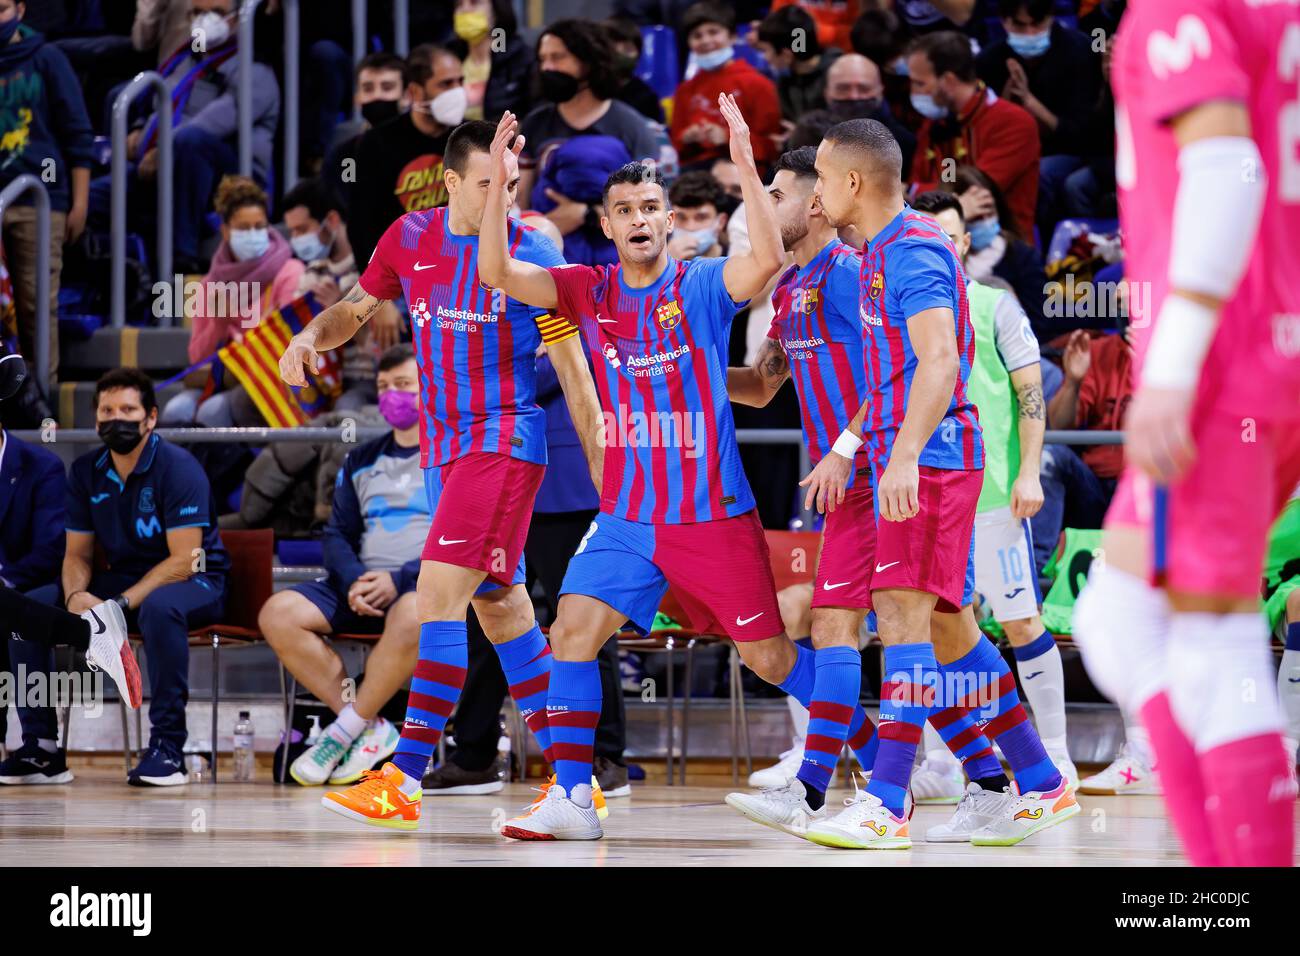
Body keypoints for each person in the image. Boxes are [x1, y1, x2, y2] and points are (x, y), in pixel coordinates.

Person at [478, 99, 885, 842]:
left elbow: (764, 262)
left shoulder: (700, 285)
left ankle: (880, 752)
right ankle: (573, 795)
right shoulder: (585, 290)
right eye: (624, 208)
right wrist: (504, 189)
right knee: (570, 631)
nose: (638, 218)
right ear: (605, 225)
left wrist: (744, 159)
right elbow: (498, 270)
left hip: (713, 517)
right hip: (628, 518)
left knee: (768, 658)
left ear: (670, 221)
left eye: (651, 207)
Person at [278, 120, 606, 830]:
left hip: (505, 442)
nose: (504, 201)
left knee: (437, 593)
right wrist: (308, 335)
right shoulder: (408, 238)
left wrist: (609, 472)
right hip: (444, 451)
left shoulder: (533, 248)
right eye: (490, 186)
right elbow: (354, 311)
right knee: (504, 611)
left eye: (513, 186)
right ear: (452, 182)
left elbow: (575, 371)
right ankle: (575, 780)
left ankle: (404, 776)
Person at [799, 118, 1076, 848]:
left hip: (932, 458)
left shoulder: (913, 253)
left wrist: (902, 457)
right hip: (919, 452)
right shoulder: (886, 248)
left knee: (900, 616)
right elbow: (897, 370)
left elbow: (939, 363)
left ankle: (887, 800)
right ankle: (1040, 783)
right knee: (951, 630)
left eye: (824, 178)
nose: (819, 192)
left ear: (853, 182)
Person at [1074, 0, 1300, 868]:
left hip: (1223, 367)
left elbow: (1226, 167)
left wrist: (1171, 365)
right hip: (1268, 353)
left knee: (1199, 637)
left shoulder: (1181, 8)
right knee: (1140, 624)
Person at [912, 190, 1078, 790]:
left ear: (965, 244)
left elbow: (1031, 395)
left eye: (954, 236)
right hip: (926, 499)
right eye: (932, 234)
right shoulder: (901, 305)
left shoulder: (995, 305)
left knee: (1020, 623)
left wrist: (1031, 471)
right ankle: (946, 764)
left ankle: (1055, 755)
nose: (945, 246)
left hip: (994, 499)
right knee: (933, 627)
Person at [12, 368, 227, 786]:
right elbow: (77, 554)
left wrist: (121, 604)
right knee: (28, 610)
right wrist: (76, 595)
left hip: (197, 581)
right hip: (125, 580)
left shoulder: (178, 468)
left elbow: (186, 558)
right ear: (95, 420)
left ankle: (168, 748)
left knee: (159, 610)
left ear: (151, 418)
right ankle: (41, 750)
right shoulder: (87, 472)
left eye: (128, 410)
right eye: (107, 410)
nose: (116, 419)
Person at [259, 346, 432, 787]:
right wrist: (355, 580)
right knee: (278, 612)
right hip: (360, 583)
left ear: (429, 387)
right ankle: (369, 727)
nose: (393, 395)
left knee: (414, 612)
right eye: (384, 387)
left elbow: (458, 538)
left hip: (421, 585)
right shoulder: (361, 458)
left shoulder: (451, 457)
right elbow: (335, 533)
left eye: (404, 385)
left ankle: (343, 732)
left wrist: (398, 580)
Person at [88, 0, 281, 273]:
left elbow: (210, 124)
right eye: (198, 13)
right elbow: (163, 102)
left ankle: (183, 260)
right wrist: (139, 130)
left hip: (227, 181)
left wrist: (160, 148)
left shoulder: (256, 70)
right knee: (92, 198)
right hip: (167, 169)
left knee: (191, 142)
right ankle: (108, 280)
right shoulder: (187, 60)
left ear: (238, 18)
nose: (205, 20)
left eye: (216, 13)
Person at [161, 176, 306, 428]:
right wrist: (219, 322)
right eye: (243, 228)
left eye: (259, 226)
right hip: (223, 377)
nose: (253, 235)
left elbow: (283, 344)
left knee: (211, 412)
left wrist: (237, 321)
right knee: (176, 411)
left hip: (267, 379)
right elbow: (198, 357)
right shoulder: (211, 282)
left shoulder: (289, 271)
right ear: (225, 231)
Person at [0, 0, 92, 387]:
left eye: (1, 8)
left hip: (38, 201)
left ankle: (42, 406)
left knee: (37, 306)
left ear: (21, 9)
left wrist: (80, 201)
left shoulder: (47, 58)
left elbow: (77, 132)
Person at [516, 19, 658, 255]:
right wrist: (542, 226)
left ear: (589, 61)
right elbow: (519, 203)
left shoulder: (631, 126)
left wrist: (586, 215)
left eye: (558, 57)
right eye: (543, 59)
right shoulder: (535, 124)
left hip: (617, 255)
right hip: (549, 253)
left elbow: (654, 207)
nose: (547, 68)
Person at [907, 31, 1040, 239]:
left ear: (949, 81)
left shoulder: (1014, 123)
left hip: (1003, 251)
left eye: (920, 83)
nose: (913, 91)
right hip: (939, 244)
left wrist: (914, 190)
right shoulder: (934, 123)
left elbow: (977, 194)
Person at [349, 44, 465, 269]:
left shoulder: (470, 137)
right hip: (400, 277)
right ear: (415, 92)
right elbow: (362, 227)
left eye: (460, 81)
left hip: (462, 271)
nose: (458, 92)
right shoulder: (376, 144)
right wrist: (378, 293)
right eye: (446, 84)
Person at [670, 4, 781, 173]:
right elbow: (675, 149)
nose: (706, 40)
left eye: (713, 32)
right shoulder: (684, 90)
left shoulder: (759, 85)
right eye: (697, 36)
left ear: (733, 37)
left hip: (744, 173)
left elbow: (773, 147)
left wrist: (727, 137)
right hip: (696, 175)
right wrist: (686, 138)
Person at [952, 164, 1049, 335]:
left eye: (989, 214)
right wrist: (953, 219)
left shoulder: (1020, 255)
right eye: (975, 218)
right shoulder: (939, 257)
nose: (985, 222)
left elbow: (1040, 324)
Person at [322, 52, 411, 213]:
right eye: (368, 89)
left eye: (387, 87)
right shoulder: (346, 156)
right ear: (357, 99)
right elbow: (346, 206)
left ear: (406, 96)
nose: (377, 95)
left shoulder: (425, 145)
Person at [823, 53, 915, 175]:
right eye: (843, 88)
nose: (854, 96)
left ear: (880, 91)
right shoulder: (809, 136)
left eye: (864, 88)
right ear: (826, 92)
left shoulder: (904, 142)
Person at [754, 5, 841, 122]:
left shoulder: (839, 76)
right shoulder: (784, 82)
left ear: (786, 55)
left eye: (765, 50)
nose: (765, 57)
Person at [452, 0, 534, 123]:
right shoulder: (449, 56)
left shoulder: (520, 57)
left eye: (474, 3)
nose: (465, 9)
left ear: (496, 10)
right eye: (459, 4)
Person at [603, 16, 666, 123]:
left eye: (628, 49)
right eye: (612, 49)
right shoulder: (588, 92)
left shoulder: (646, 97)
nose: (620, 55)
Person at [666, 171, 730, 261]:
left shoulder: (735, 258)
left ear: (720, 222)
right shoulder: (654, 259)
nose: (690, 227)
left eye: (701, 218)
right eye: (681, 217)